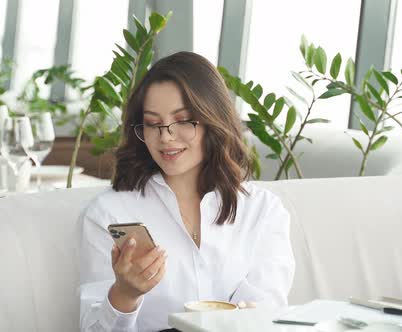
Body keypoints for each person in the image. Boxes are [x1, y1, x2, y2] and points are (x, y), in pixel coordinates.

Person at [78, 51, 295, 332]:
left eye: (183, 120)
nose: (166, 137)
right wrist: (125, 294)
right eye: (153, 124)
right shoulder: (109, 213)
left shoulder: (262, 212)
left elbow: (265, 314)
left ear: (213, 121)